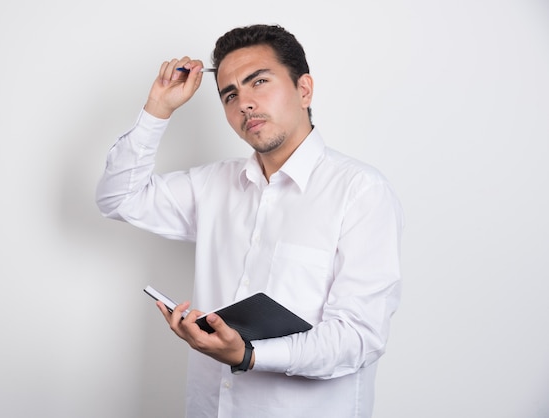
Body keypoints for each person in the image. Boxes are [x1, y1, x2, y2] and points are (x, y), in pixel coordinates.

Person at [96, 24, 403, 418]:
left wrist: (249, 355)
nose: (244, 103)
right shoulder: (214, 186)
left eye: (259, 81)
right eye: (230, 94)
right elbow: (117, 199)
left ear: (304, 89)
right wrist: (159, 108)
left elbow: (359, 337)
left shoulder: (360, 192)